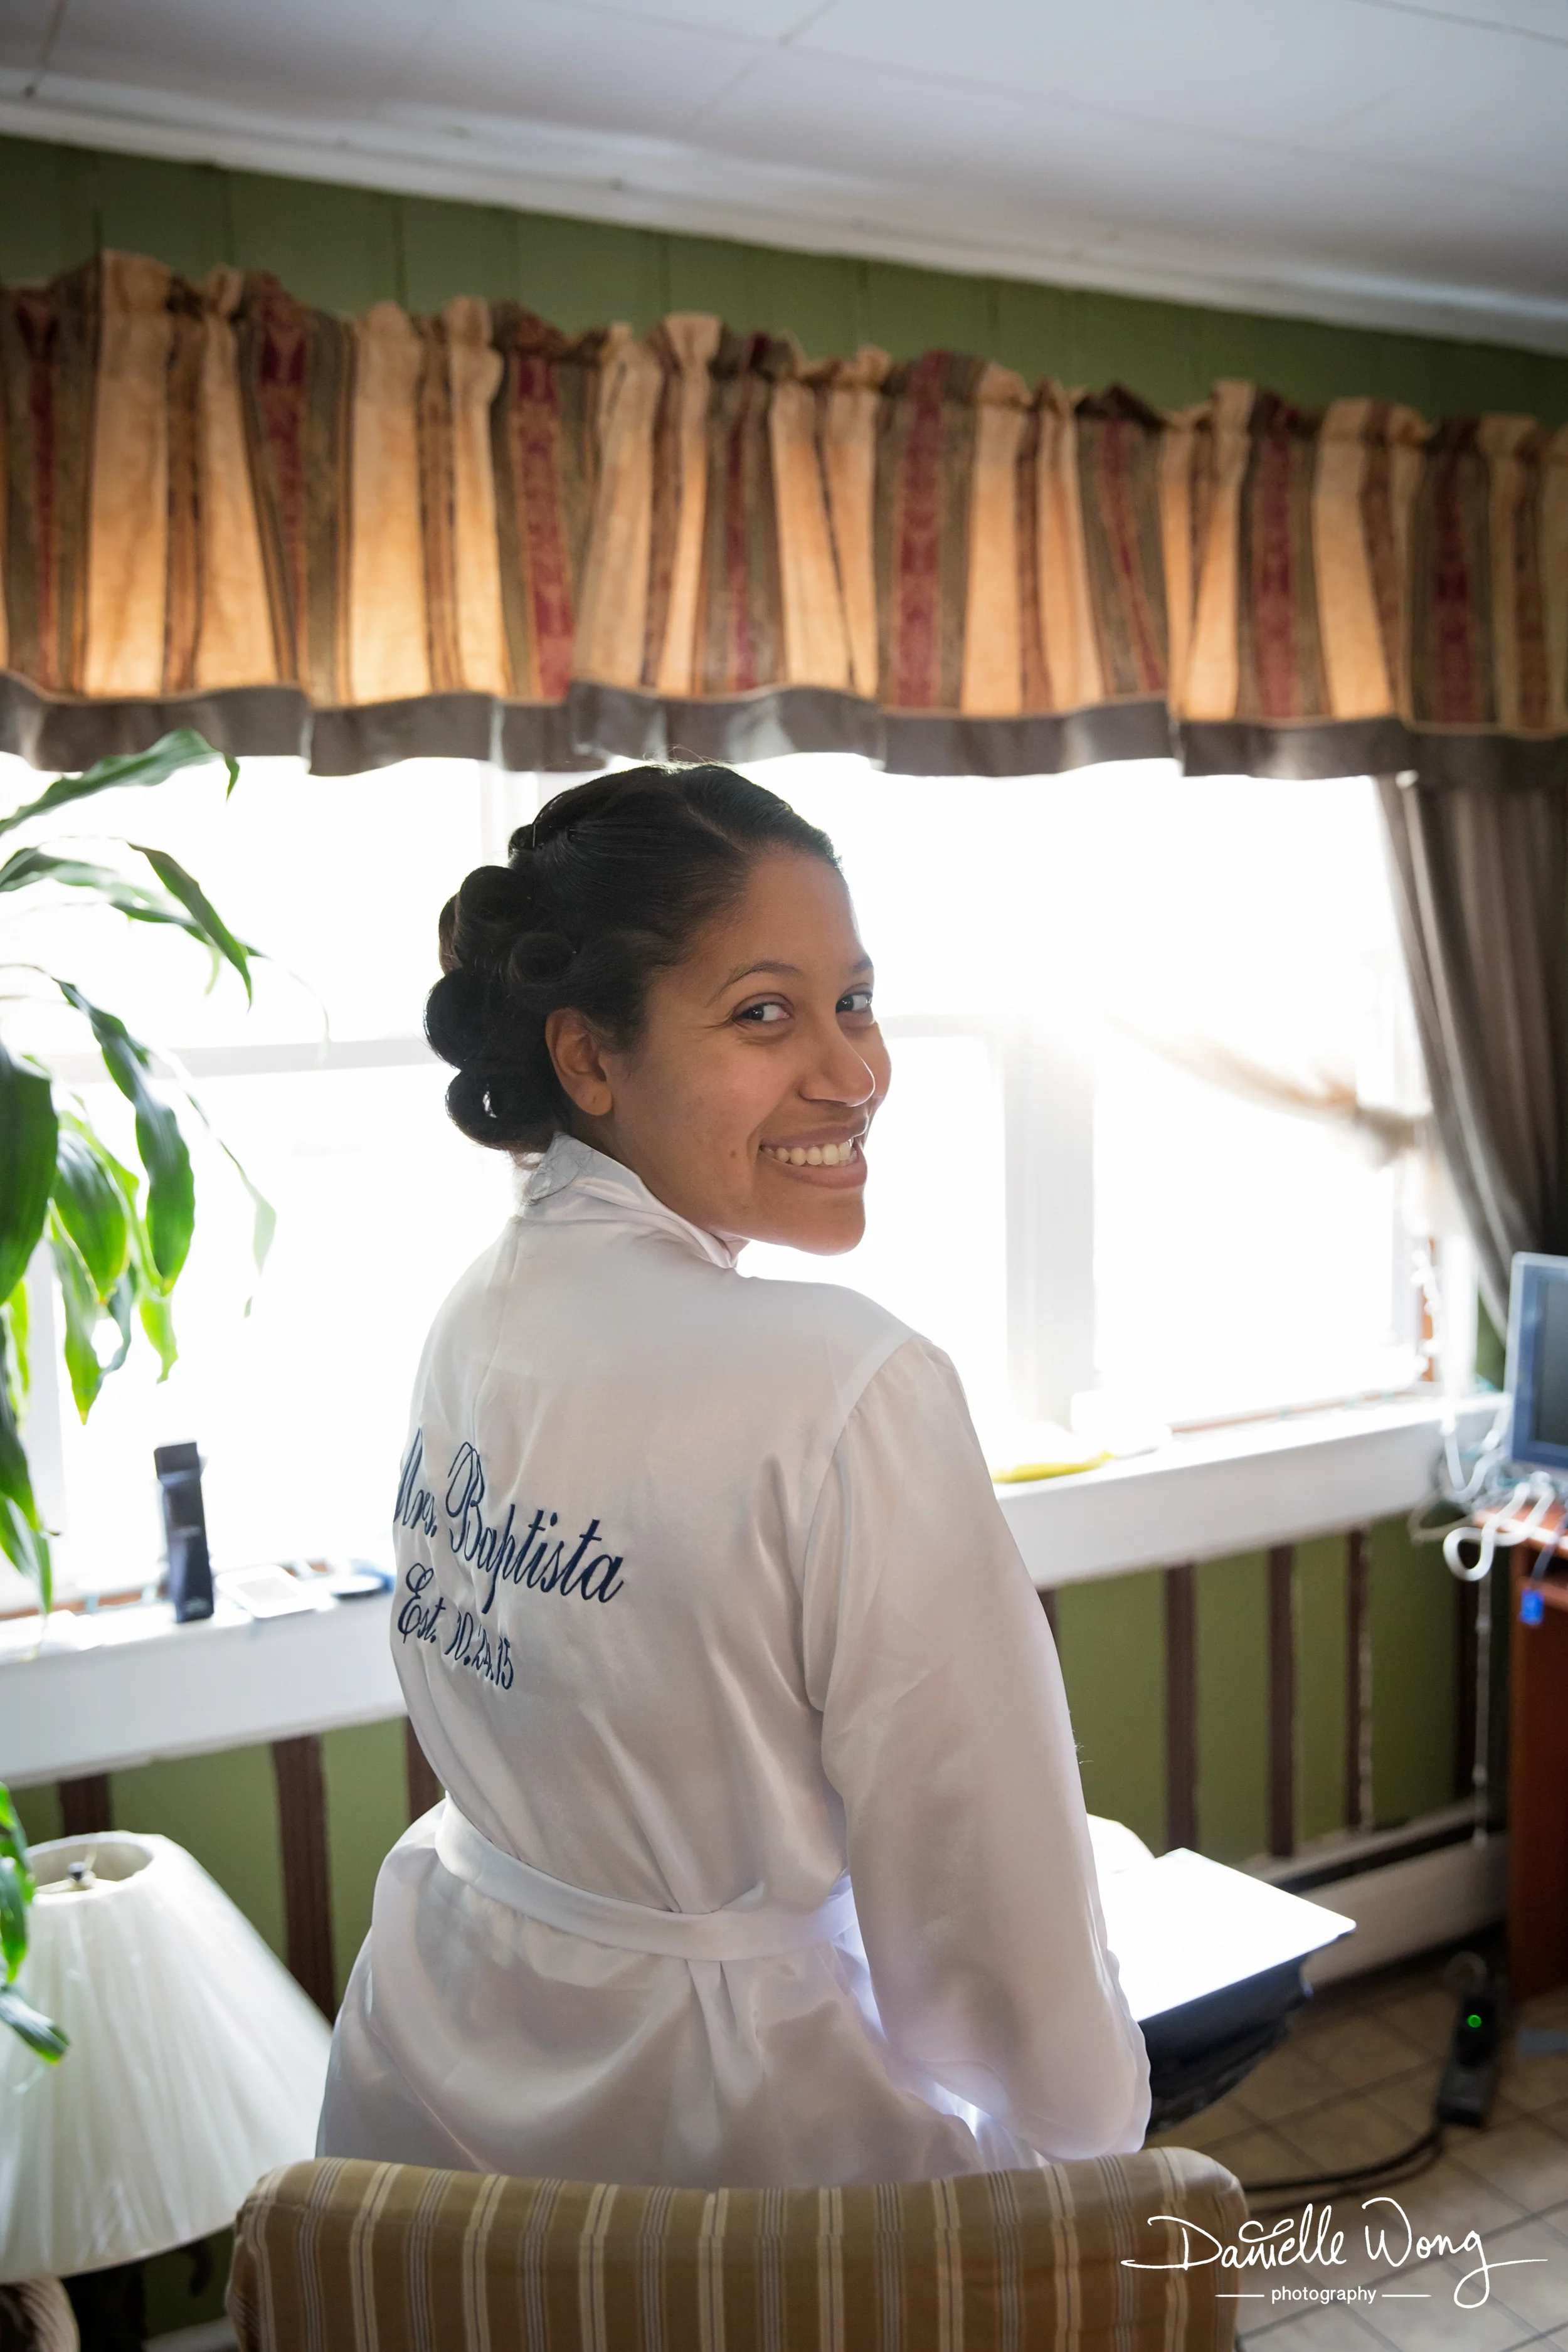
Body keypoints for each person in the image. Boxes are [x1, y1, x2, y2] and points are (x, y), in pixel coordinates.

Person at [318, 762, 1150, 2188]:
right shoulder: (844, 1383)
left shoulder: (481, 1309)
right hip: (738, 2128)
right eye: (764, 1012)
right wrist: (1084, 2127)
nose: (852, 1071)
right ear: (590, 1059)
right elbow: (987, 1894)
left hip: (444, 2041)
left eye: (855, 1001)